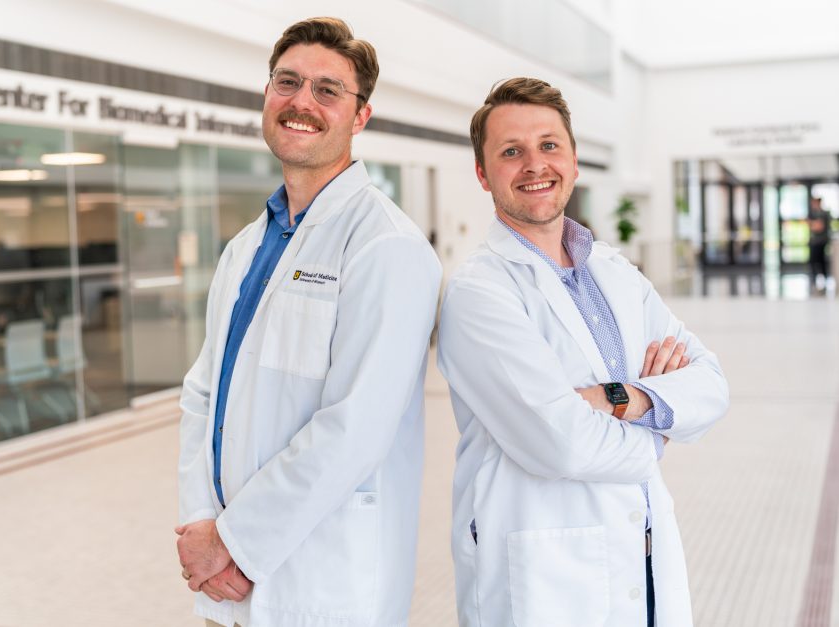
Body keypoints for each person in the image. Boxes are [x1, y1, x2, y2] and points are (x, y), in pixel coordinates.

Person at [175, 17, 441, 627]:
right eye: (287, 82)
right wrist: (202, 534)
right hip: (224, 582)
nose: (302, 102)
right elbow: (202, 395)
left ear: (361, 116)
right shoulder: (247, 246)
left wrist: (236, 545)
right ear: (267, 95)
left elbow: (355, 429)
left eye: (328, 90)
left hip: (321, 584)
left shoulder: (386, 247)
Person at [437, 77, 729, 627]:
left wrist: (619, 399)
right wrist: (661, 428)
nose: (534, 165)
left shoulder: (615, 271)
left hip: (643, 560)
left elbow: (711, 382)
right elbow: (561, 443)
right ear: (482, 173)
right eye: (510, 151)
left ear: (573, 160)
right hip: (544, 577)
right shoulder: (480, 292)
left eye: (549, 145)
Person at [808, 196, 832, 291]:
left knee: (821, 262)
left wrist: (812, 224)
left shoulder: (824, 214)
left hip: (821, 242)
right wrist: (814, 224)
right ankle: (815, 281)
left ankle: (824, 281)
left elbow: (819, 227)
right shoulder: (813, 214)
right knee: (813, 262)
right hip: (814, 242)